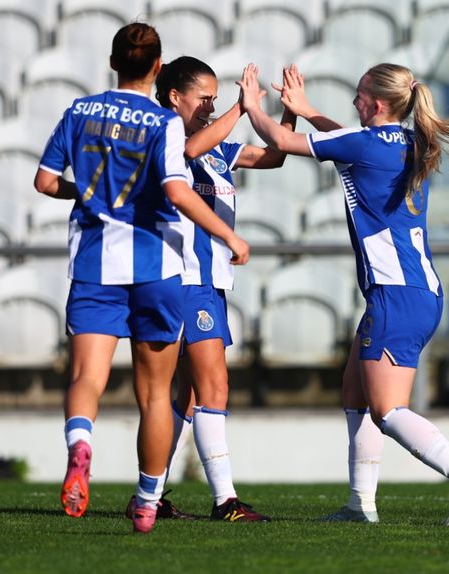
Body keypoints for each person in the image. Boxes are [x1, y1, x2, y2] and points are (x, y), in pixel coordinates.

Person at [237, 63, 449, 525]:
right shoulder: (409, 142)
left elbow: (281, 143)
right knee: (355, 394)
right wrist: (308, 110)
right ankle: (361, 504)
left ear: (376, 103)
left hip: (396, 293)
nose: (354, 102)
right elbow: (350, 144)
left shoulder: (366, 144)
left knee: (386, 408)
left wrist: (254, 106)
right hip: (415, 290)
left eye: (359, 95)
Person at [33, 23, 250, 534]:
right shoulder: (163, 122)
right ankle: (149, 501)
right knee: (155, 395)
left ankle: (80, 444)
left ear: (113, 62)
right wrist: (230, 236)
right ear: (157, 68)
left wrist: (85, 196)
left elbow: (44, 182)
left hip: (93, 262)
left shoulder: (80, 112)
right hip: (156, 264)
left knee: (87, 377)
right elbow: (177, 191)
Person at [142, 57, 296, 522]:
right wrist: (242, 106)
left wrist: (287, 114)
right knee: (215, 387)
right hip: (188, 280)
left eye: (215, 97)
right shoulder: (168, 139)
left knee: (189, 397)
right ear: (175, 97)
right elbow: (188, 151)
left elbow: (274, 155)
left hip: (210, 282)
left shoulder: (218, 149)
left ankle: (148, 496)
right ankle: (225, 500)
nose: (210, 105)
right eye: (204, 97)